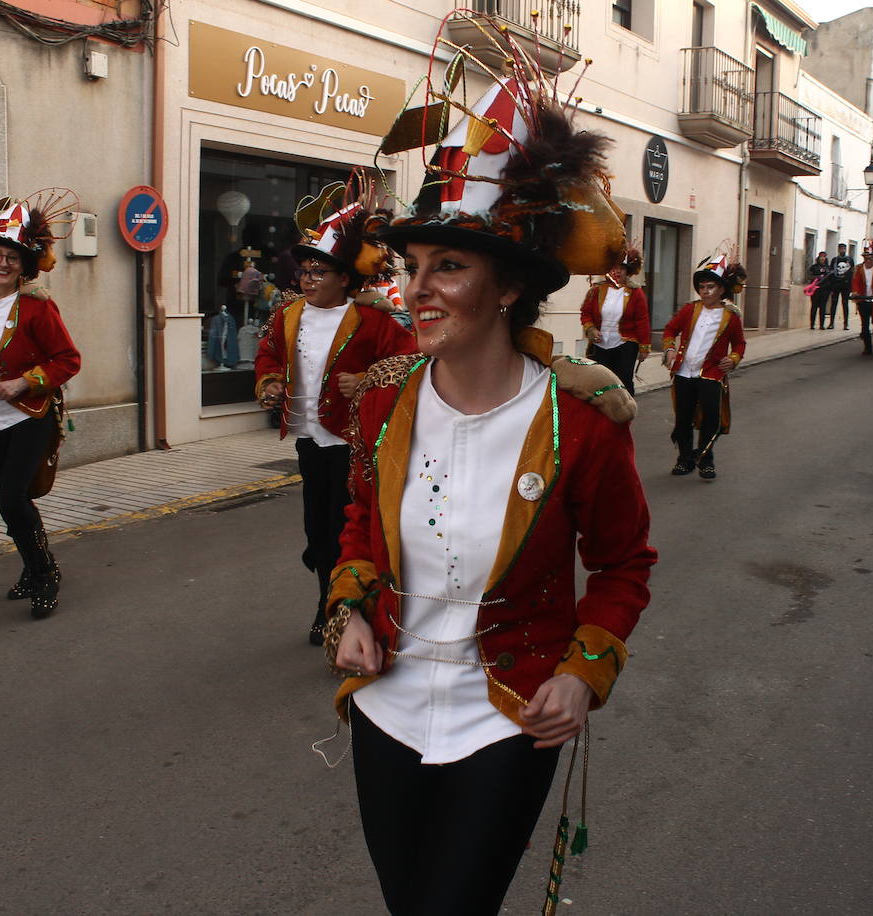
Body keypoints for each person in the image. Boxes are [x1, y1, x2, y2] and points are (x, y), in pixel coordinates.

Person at [322, 42, 656, 916]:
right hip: (387, 706)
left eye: (448, 267)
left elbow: (623, 565)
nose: (417, 290)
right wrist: (350, 610)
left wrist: (583, 672)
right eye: (412, 268)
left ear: (507, 287)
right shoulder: (383, 404)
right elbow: (360, 524)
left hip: (507, 713)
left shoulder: (580, 421)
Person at [254, 177, 417, 645]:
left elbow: (411, 363)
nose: (307, 279)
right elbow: (268, 354)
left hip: (353, 441)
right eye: (304, 271)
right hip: (308, 438)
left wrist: (368, 379)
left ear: (344, 277)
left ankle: (345, 608)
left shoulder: (372, 319)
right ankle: (330, 597)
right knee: (316, 531)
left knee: (349, 528)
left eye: (318, 271)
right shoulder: (288, 316)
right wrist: (269, 381)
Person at [0, 195, 81, 619]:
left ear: (23, 265)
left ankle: (44, 574)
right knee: (14, 502)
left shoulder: (38, 307)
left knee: (10, 500)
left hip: (29, 416)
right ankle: (34, 566)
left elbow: (68, 360)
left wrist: (25, 382)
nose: (2, 263)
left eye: (12, 257)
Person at [662, 256, 747, 480]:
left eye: (710, 287)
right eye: (702, 287)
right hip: (684, 372)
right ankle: (684, 459)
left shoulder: (731, 317)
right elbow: (670, 330)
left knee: (712, 417)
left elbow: (739, 343)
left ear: (721, 290)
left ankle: (706, 459)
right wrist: (669, 349)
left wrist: (734, 358)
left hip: (711, 373)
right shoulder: (690, 310)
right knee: (683, 418)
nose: (705, 291)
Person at [579, 244, 651, 395]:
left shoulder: (636, 293)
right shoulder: (597, 290)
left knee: (623, 381)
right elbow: (586, 312)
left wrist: (644, 347)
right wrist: (591, 329)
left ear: (628, 271)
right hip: (600, 344)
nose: (617, 271)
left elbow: (642, 320)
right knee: (600, 381)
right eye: (614, 267)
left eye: (622, 268)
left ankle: (625, 408)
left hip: (625, 344)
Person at [850, 248, 873, 355]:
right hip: (863, 300)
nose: (868, 261)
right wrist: (855, 292)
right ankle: (867, 348)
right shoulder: (858, 268)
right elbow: (855, 281)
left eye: (870, 258)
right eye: (866, 259)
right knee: (864, 325)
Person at [827, 242, 855, 330]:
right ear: (838, 250)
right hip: (836, 284)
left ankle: (846, 324)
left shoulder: (849, 260)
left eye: (844, 249)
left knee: (845, 303)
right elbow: (831, 273)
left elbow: (852, 273)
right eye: (841, 248)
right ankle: (831, 323)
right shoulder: (835, 260)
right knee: (834, 303)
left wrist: (851, 286)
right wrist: (831, 286)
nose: (842, 250)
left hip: (845, 284)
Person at [807, 250, 831, 329]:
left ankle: (821, 325)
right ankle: (812, 324)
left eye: (824, 257)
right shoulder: (814, 267)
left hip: (825, 289)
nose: (822, 258)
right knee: (814, 307)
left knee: (823, 307)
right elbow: (809, 276)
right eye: (821, 257)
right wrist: (817, 277)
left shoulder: (828, 268)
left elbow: (830, 279)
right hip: (815, 289)